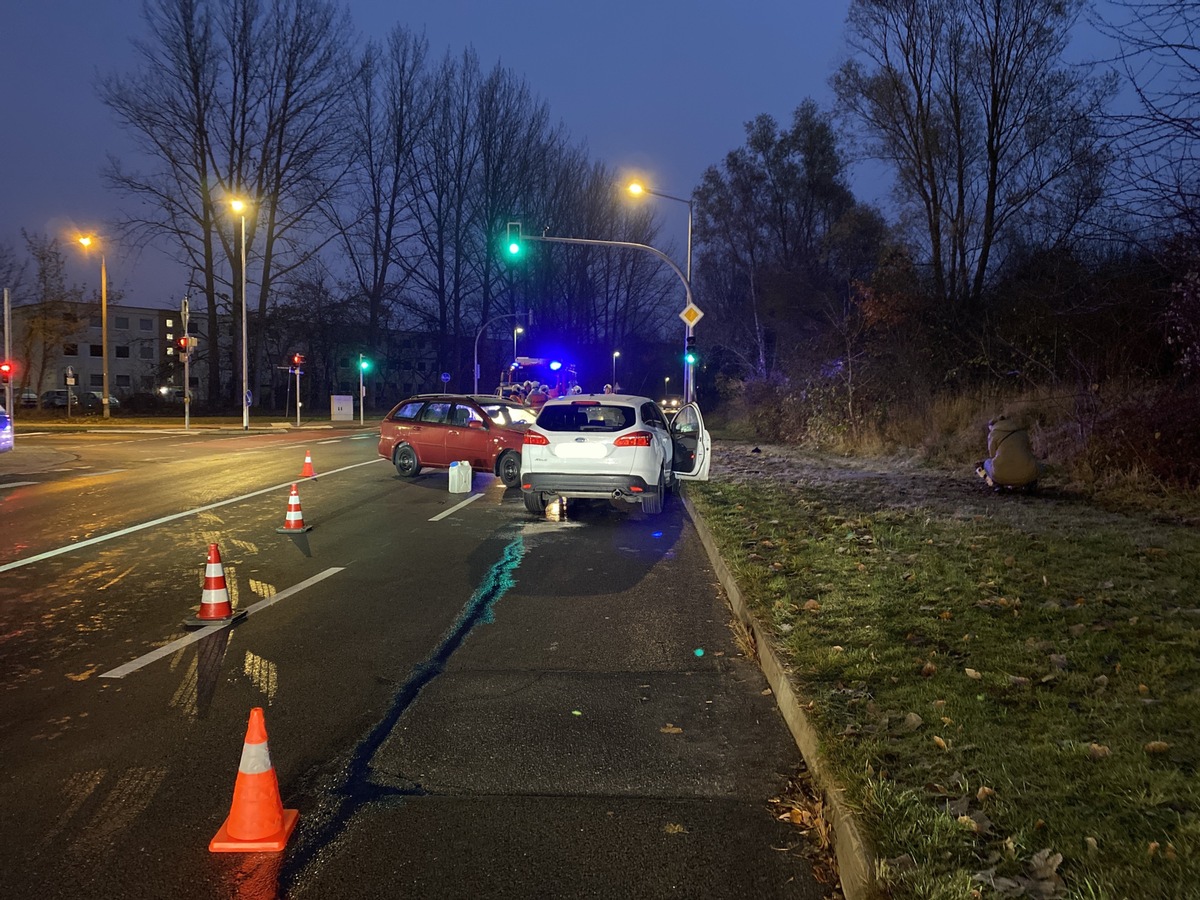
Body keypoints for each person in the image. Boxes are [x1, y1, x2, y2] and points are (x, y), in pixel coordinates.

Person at [976, 416, 1040, 490]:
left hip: (1002, 476)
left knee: (987, 462)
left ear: (992, 426)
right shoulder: (1022, 432)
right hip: (1026, 475)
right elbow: (1028, 451)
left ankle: (998, 485)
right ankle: (1029, 485)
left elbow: (992, 455)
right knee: (1035, 464)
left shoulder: (994, 434)